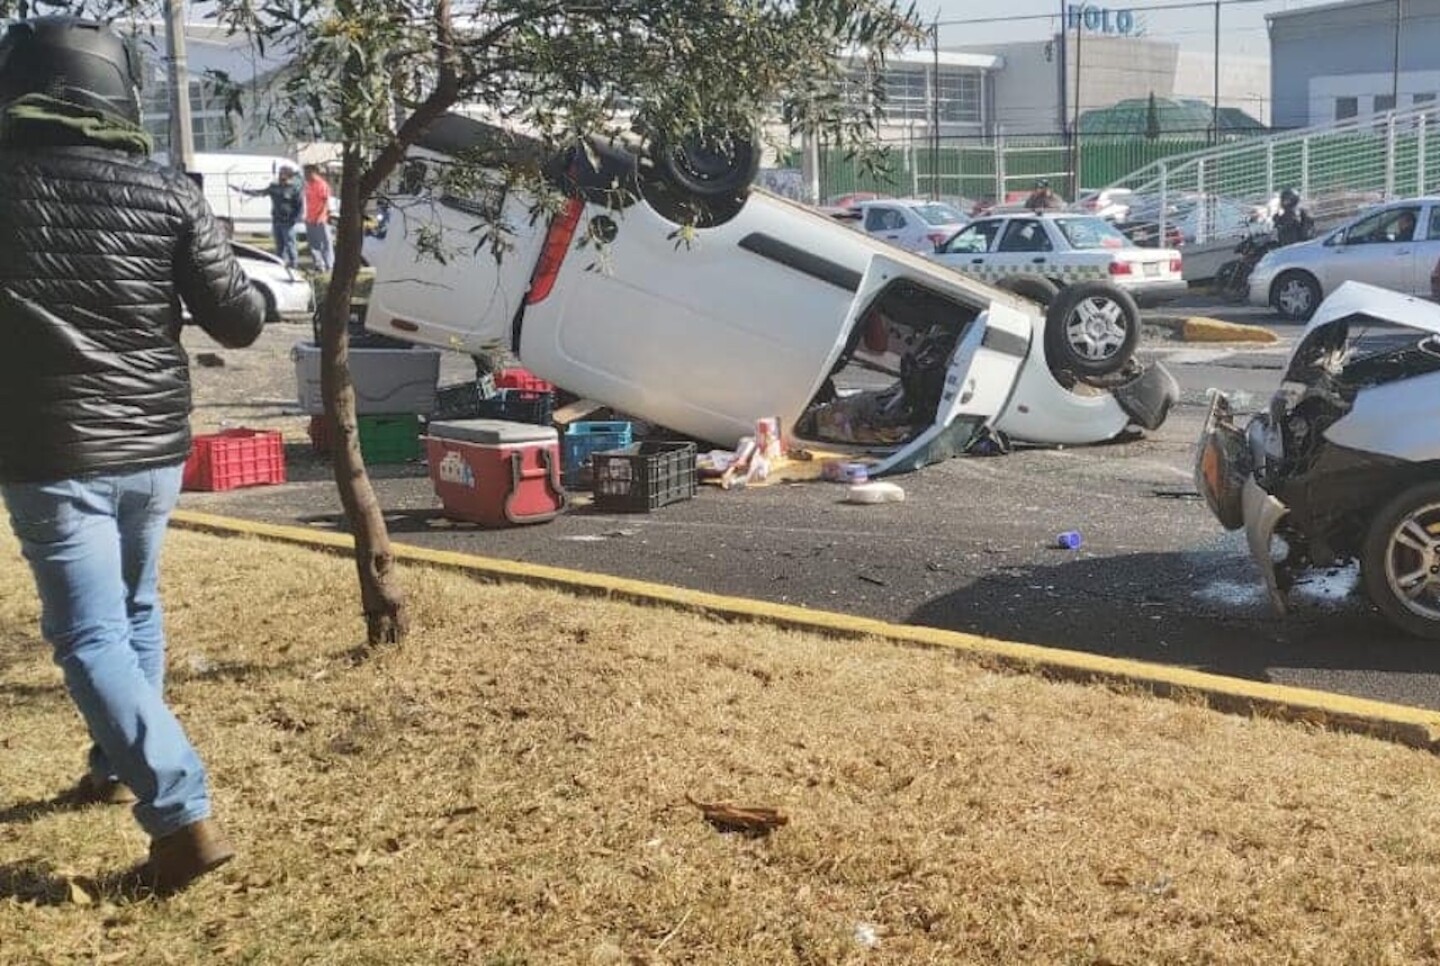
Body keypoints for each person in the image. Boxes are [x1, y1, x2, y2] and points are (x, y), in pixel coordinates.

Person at [0, 17, 266, 894]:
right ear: (119, 91)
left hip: (48, 448)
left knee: (88, 633)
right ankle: (118, 761)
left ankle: (180, 811)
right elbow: (236, 320)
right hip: (152, 447)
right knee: (134, 608)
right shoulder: (166, 190)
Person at [234, 162, 303, 268]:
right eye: (280, 174)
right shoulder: (274, 187)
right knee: (279, 246)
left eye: (283, 174)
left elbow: (299, 206)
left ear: (289, 176)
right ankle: (280, 265)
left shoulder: (294, 189)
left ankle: (294, 265)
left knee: (290, 245)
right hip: (276, 221)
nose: (281, 177)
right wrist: (243, 191)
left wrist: (295, 219)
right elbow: (260, 193)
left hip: (288, 222)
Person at [302, 163, 334, 273]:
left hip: (321, 220)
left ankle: (329, 266)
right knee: (313, 244)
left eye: (307, 172)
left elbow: (325, 202)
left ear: (313, 172)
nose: (305, 175)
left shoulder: (321, 184)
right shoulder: (308, 185)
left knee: (325, 243)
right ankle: (319, 266)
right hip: (310, 219)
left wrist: (319, 216)